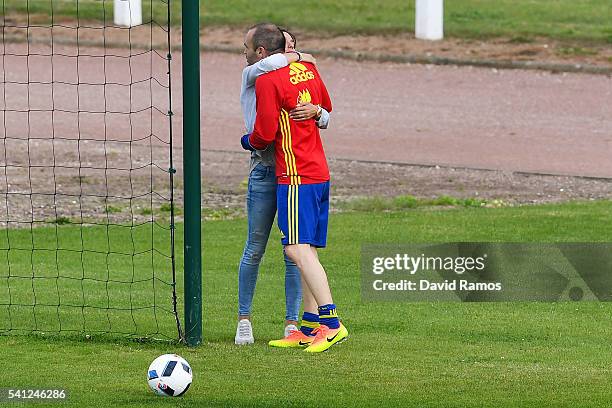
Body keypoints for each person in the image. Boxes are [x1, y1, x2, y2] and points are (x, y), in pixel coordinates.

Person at [241, 24, 348, 353]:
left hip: (295, 174)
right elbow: (326, 107)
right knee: (307, 251)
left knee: (296, 250)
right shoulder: (309, 70)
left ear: (262, 52)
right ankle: (308, 326)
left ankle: (332, 324)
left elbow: (264, 133)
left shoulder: (268, 81)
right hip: (319, 170)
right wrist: (315, 111)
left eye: (246, 46)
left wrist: (247, 141)